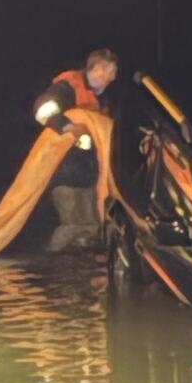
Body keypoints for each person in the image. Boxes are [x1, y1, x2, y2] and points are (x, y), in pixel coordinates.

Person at [33, 48, 118, 252]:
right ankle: (49, 261)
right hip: (64, 175)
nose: (111, 78)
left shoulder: (101, 100)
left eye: (112, 74)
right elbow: (43, 110)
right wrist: (70, 127)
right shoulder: (68, 86)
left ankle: (80, 267)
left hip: (87, 177)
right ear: (96, 68)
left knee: (92, 225)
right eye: (108, 71)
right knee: (71, 224)